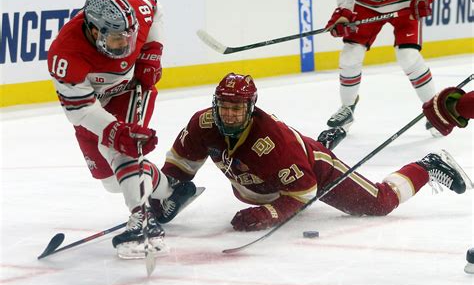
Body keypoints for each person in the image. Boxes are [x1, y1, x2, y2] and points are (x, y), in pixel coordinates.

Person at [158, 73, 471, 232]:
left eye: (237, 109)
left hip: (312, 172)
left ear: (251, 109)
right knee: (290, 161)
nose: (229, 115)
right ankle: (317, 145)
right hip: (270, 178)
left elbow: (303, 192)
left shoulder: (271, 141)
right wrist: (165, 194)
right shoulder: (203, 123)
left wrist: (267, 215)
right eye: (224, 107)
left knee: (379, 203)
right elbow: (179, 163)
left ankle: (427, 166)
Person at [47, 0, 196, 258]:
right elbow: (79, 110)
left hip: (131, 90)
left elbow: (156, 9)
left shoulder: (136, 12)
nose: (127, 46)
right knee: (111, 181)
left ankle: (143, 221)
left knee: (122, 149)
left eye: (130, 36)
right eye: (117, 39)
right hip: (92, 106)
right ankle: (172, 189)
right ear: (94, 31)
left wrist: (152, 52)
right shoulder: (65, 54)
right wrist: (113, 129)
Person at [324, 0, 443, 136]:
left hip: (405, 2)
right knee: (349, 56)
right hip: (366, 4)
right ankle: (347, 108)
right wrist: (344, 11)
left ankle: (436, 110)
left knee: (408, 56)